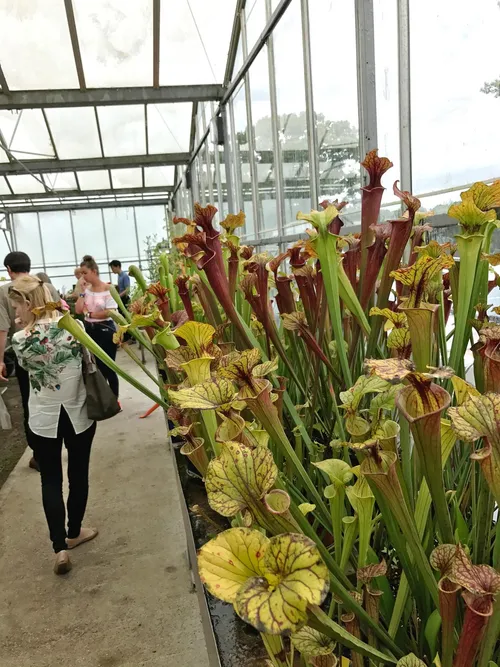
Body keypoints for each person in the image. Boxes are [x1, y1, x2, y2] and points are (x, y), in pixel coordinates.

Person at [9, 275, 98, 575]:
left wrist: (27, 330)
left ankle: (59, 547)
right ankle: (75, 532)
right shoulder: (75, 328)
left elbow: (24, 369)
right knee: (78, 475)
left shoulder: (20, 340)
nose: (15, 314)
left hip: (43, 418)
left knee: (50, 480)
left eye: (17, 307)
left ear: (28, 303)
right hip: (77, 413)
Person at [0, 252, 60, 471]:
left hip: (25, 351)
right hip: (53, 349)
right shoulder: (46, 286)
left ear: (8, 268)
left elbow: (3, 328)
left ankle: (40, 453)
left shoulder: (4, 291)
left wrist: (0, 361)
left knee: (30, 399)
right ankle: (58, 440)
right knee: (55, 392)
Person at [75, 255, 119, 397]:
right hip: (90, 329)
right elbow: (78, 310)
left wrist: (91, 315)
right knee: (96, 366)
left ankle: (114, 397)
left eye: (85, 273)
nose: (83, 276)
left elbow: (110, 311)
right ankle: (103, 398)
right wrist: (82, 292)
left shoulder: (108, 288)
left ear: (94, 271)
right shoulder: (86, 291)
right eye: (81, 274)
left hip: (106, 330)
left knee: (109, 365)